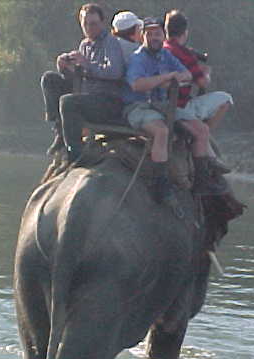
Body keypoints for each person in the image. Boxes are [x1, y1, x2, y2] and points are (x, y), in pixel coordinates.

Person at [122, 16, 193, 207]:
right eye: (150, 34)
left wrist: (173, 79)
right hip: (139, 107)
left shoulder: (166, 55)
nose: (154, 37)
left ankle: (203, 177)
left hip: (162, 106)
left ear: (163, 35)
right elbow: (137, 84)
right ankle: (160, 182)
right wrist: (167, 77)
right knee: (162, 131)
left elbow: (187, 75)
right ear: (143, 36)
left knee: (199, 128)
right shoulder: (138, 58)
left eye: (158, 34)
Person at [40, 3, 125, 160]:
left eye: (93, 24)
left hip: (107, 101)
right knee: (50, 79)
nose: (89, 28)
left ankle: (76, 153)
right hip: (88, 96)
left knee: (68, 102)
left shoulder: (110, 43)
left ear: (102, 23)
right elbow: (81, 77)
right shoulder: (85, 45)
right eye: (85, 24)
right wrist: (65, 68)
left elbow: (114, 72)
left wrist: (86, 63)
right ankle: (59, 131)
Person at [163, 10, 232, 175]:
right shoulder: (184, 54)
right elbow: (203, 82)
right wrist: (205, 72)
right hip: (179, 106)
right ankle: (201, 144)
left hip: (163, 103)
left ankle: (200, 139)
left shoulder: (162, 48)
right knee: (225, 99)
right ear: (185, 32)